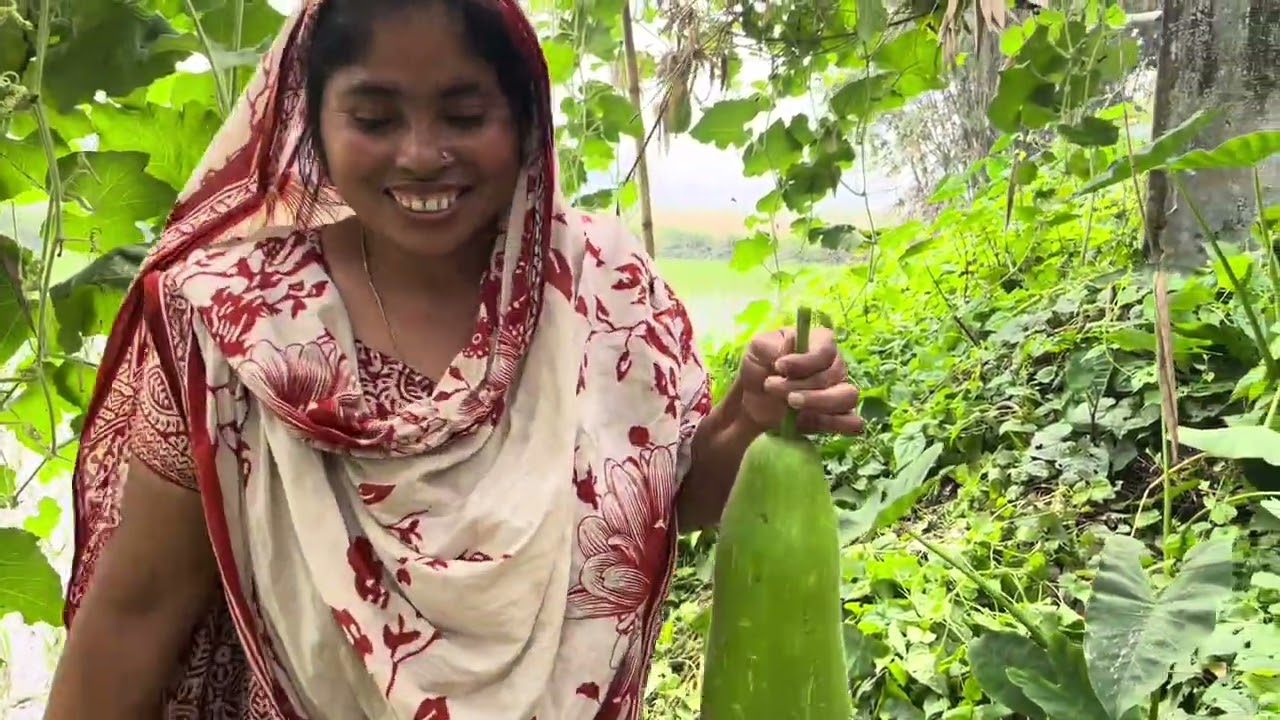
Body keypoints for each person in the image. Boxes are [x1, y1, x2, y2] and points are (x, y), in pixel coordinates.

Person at [43, 0, 864, 718]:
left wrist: (754, 414)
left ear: (524, 120)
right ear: (311, 122)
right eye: (374, 117)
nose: (422, 154)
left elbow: (664, 502)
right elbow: (140, 611)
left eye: (465, 115)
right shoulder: (230, 325)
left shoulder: (605, 297)